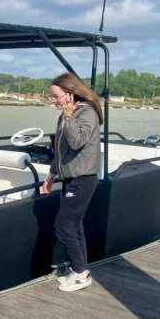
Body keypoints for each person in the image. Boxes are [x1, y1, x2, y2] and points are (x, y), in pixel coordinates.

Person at [42, 72, 103, 292]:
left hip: (82, 178)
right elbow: (60, 148)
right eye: (52, 96)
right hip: (69, 177)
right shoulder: (67, 115)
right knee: (74, 226)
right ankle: (78, 268)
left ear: (69, 94)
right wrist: (51, 174)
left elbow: (76, 142)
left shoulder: (86, 114)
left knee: (64, 225)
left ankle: (80, 274)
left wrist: (68, 116)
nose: (53, 100)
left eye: (56, 96)